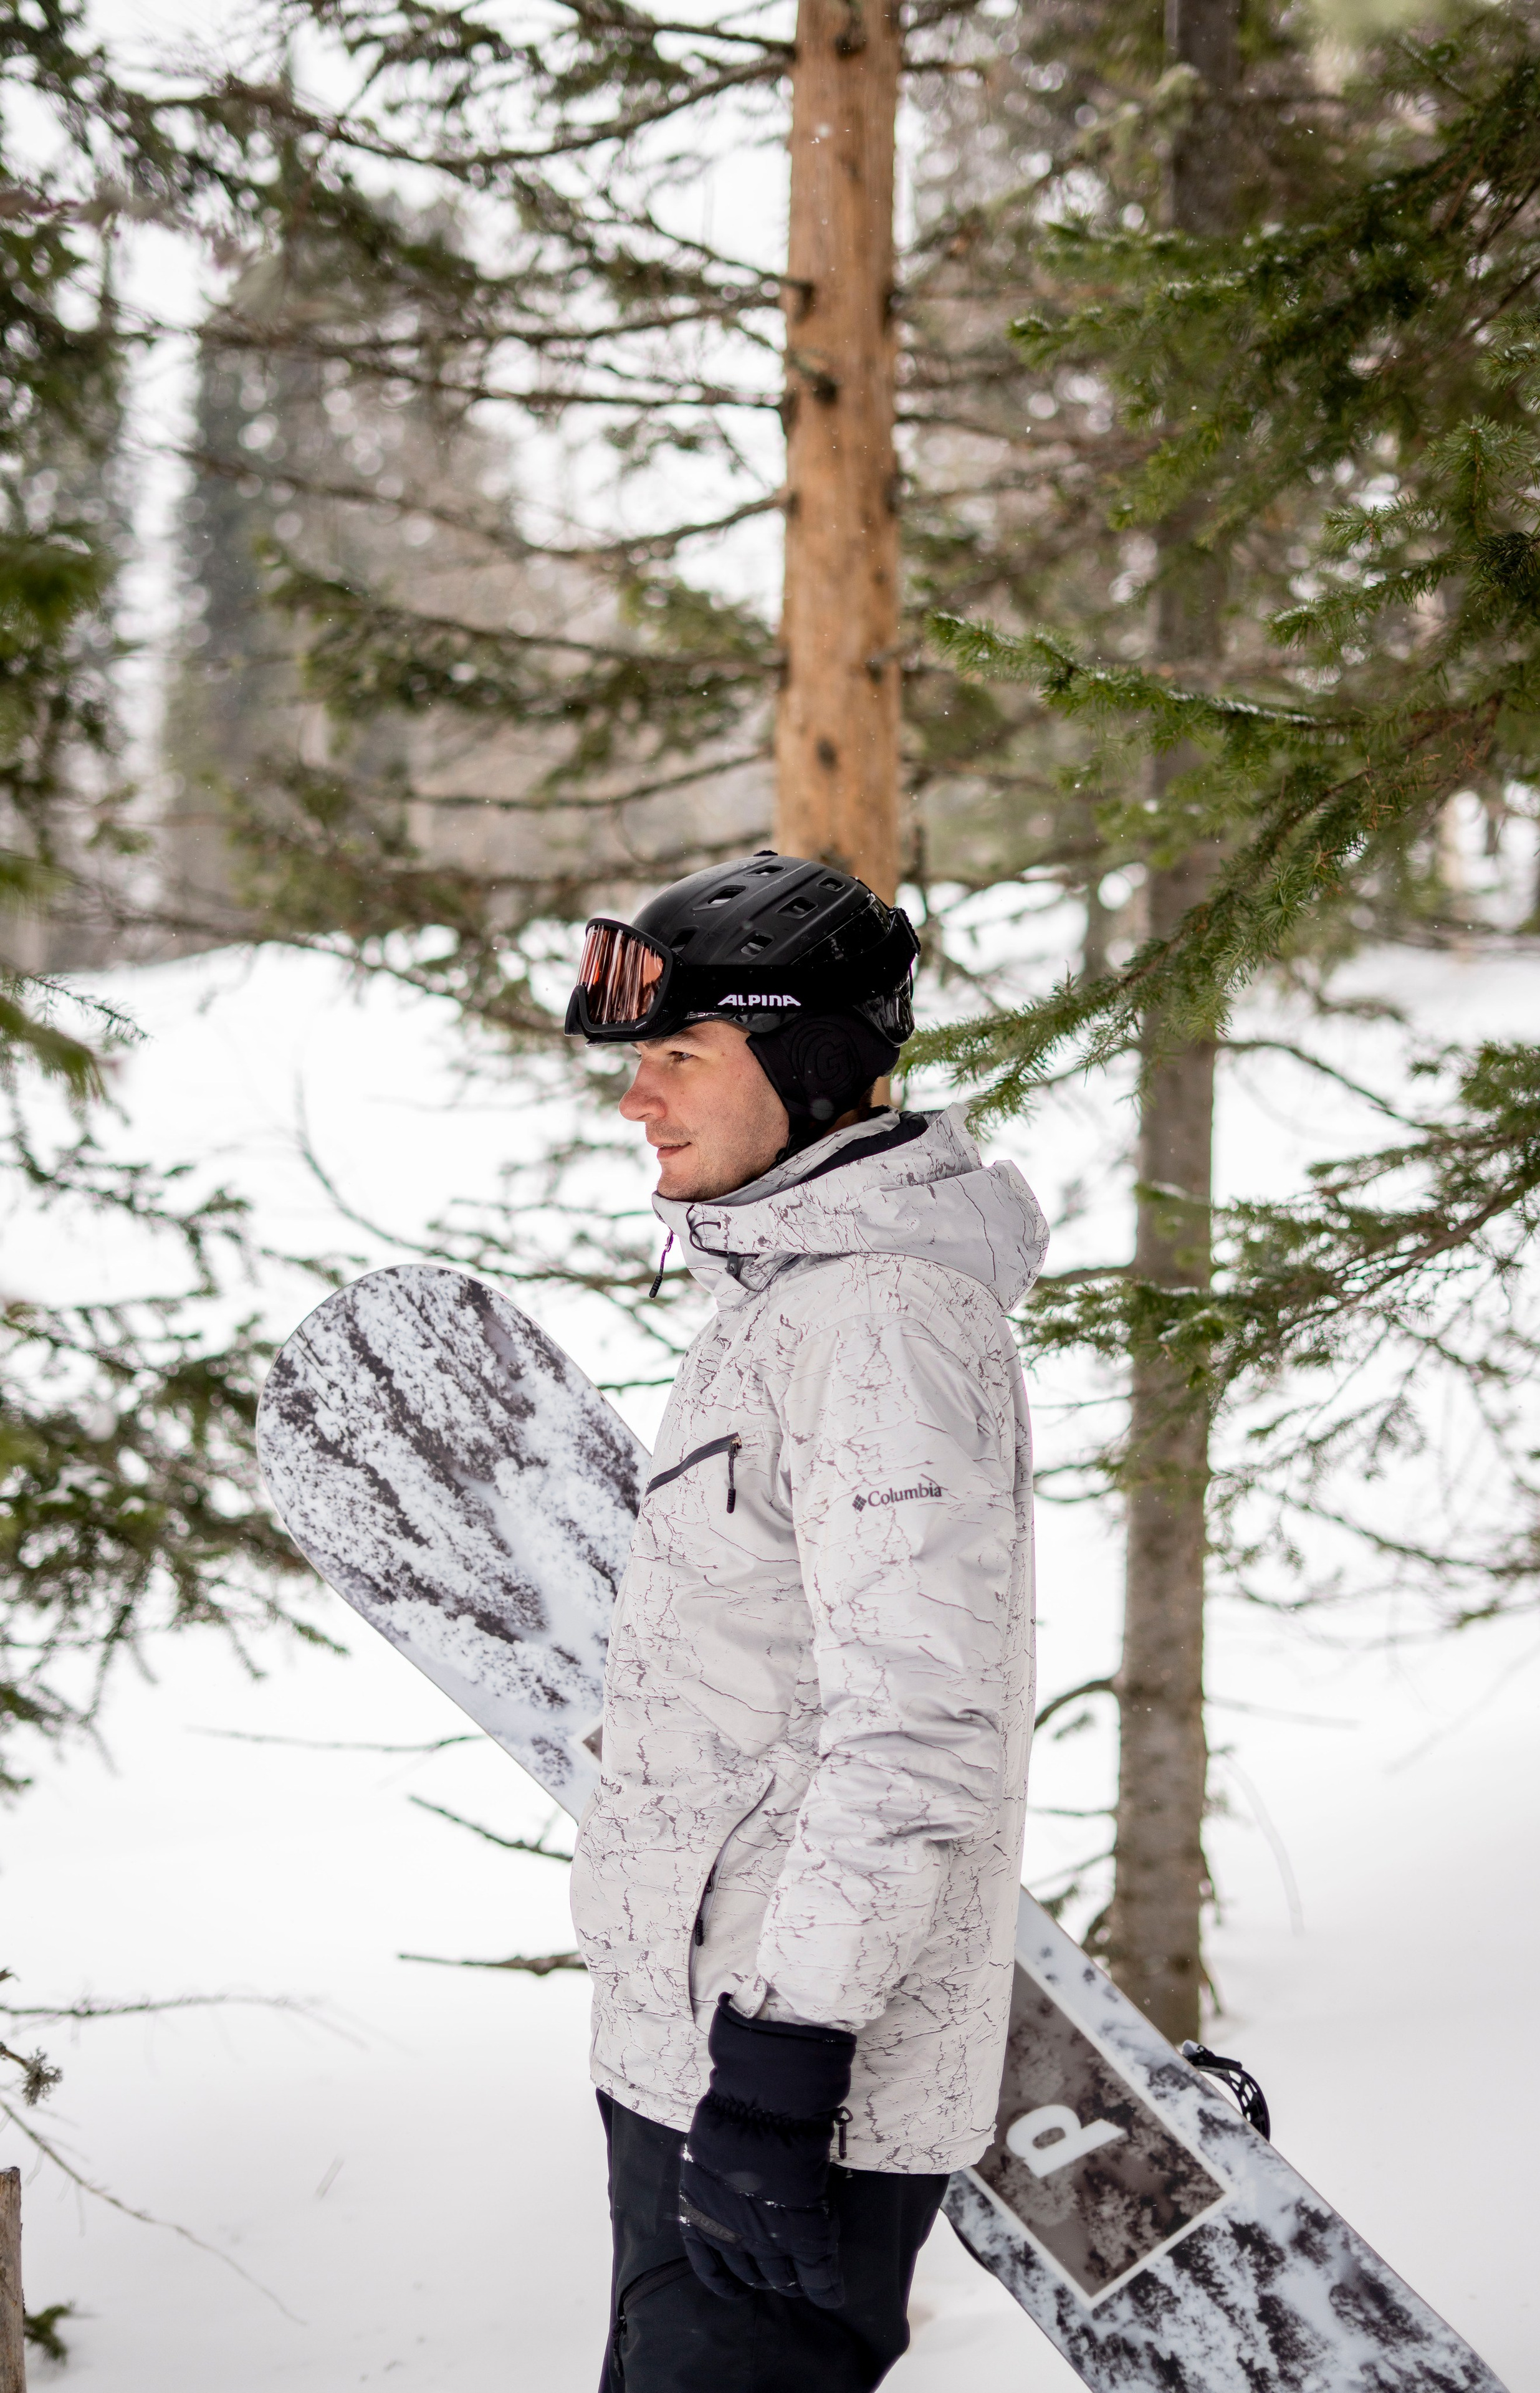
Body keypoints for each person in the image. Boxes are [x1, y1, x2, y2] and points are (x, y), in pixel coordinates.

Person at [565, 852, 1045, 2392]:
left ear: (809, 1062)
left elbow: (916, 1724)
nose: (637, 1100)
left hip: (789, 2086)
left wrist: (781, 2069)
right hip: (697, 2058)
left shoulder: (880, 1318)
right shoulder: (791, 1301)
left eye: (680, 1055)